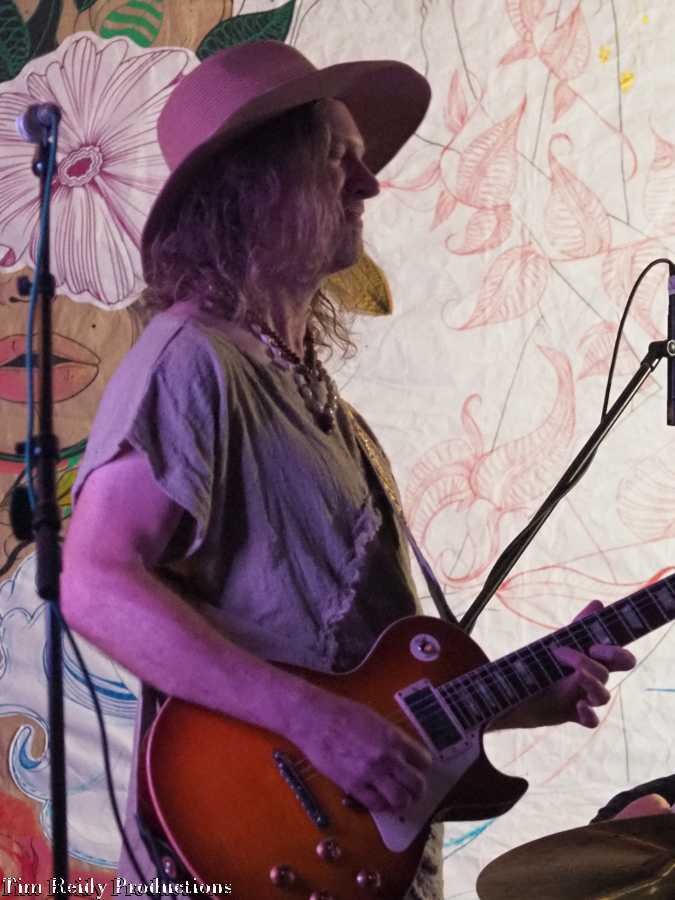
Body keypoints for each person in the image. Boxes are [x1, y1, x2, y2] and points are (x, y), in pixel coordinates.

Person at [61, 40, 636, 900]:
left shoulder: (324, 405)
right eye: (340, 159)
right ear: (257, 185)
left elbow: (354, 672)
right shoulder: (192, 358)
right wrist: (312, 723)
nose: (369, 185)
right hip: (238, 853)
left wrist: (520, 693)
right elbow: (95, 582)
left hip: (360, 861)